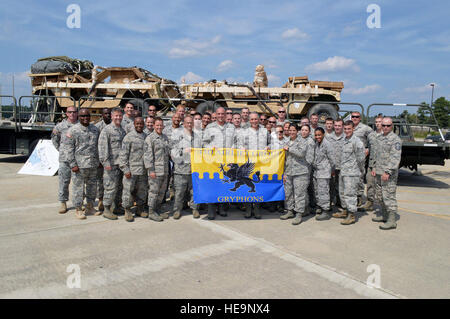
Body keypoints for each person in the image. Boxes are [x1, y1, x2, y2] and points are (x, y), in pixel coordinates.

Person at [66, 108, 100, 220]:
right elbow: (69, 149)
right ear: (78, 117)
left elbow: (98, 147)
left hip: (93, 164)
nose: (85, 118)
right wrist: (72, 164)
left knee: (92, 187)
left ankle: (90, 207)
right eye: (82, 116)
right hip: (79, 166)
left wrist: (99, 161)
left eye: (87, 116)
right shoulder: (73, 130)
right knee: (78, 188)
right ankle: (79, 209)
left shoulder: (95, 129)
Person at [202, 107, 235, 219]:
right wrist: (211, 147)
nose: (221, 116)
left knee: (224, 184)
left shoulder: (231, 127)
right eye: (219, 114)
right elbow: (204, 143)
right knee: (213, 184)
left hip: (227, 161)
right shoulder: (210, 127)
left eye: (223, 114)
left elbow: (236, 141)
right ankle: (211, 208)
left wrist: (233, 150)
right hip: (214, 162)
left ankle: (222, 207)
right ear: (215, 115)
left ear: (226, 115)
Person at [237, 112, 270, 219]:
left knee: (258, 186)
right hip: (248, 164)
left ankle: (256, 209)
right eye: (252, 119)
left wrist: (268, 147)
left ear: (259, 119)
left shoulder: (265, 131)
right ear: (249, 120)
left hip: (261, 164)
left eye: (256, 119)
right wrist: (241, 148)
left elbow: (271, 143)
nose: (254, 121)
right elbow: (239, 144)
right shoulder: (244, 132)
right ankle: (248, 209)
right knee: (247, 186)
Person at [332, 121, 365, 225]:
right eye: (345, 129)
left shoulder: (357, 142)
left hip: (352, 172)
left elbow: (361, 158)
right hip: (343, 171)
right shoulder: (344, 140)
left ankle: (351, 215)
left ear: (353, 129)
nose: (347, 131)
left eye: (349, 129)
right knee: (342, 193)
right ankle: (345, 210)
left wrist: (358, 171)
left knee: (350, 194)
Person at [371, 117, 402, 230]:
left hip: (388, 174)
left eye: (387, 125)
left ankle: (392, 220)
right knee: (380, 196)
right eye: (383, 125)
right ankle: (384, 216)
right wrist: (374, 167)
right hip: (378, 172)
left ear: (392, 126)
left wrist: (387, 172)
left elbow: (395, 158)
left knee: (389, 196)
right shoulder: (379, 138)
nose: (385, 127)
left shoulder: (395, 139)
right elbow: (376, 155)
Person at [280, 124, 314, 225]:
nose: (291, 132)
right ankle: (290, 211)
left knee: (299, 194)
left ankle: (299, 214)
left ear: (297, 131)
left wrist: (289, 149)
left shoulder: (303, 141)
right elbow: (285, 158)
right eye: (290, 130)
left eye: (293, 130)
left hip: (301, 172)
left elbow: (301, 153)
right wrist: (285, 173)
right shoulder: (286, 141)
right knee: (288, 192)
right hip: (289, 171)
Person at [170, 116, 201, 219]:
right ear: (183, 124)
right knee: (179, 192)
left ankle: (194, 209)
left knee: (194, 191)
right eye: (187, 123)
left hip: (194, 169)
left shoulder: (197, 137)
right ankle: (177, 210)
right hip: (181, 169)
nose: (189, 125)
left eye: (191, 123)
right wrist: (183, 151)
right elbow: (172, 153)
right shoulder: (177, 136)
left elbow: (201, 151)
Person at [98, 107, 127, 220]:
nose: (118, 118)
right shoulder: (107, 130)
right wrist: (106, 163)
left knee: (119, 187)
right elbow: (102, 147)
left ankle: (116, 207)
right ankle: (106, 209)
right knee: (110, 187)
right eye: (116, 116)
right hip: (111, 164)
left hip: (121, 164)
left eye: (120, 116)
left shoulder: (122, 130)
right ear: (112, 116)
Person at [119, 117, 148, 222]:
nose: (139, 125)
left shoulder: (146, 137)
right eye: (137, 124)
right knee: (128, 191)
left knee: (142, 191)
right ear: (134, 124)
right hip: (131, 171)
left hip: (143, 171)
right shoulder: (128, 137)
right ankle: (127, 210)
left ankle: (140, 209)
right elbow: (123, 155)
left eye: (141, 123)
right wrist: (125, 169)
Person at [51, 106, 78, 214]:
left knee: (78, 183)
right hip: (65, 159)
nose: (72, 114)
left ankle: (78, 204)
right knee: (64, 181)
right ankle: (63, 202)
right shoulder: (60, 126)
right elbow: (54, 139)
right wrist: (62, 150)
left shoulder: (80, 126)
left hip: (77, 159)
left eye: (74, 112)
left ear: (77, 113)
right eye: (69, 112)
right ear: (66, 114)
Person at [144, 117, 171, 221]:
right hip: (155, 172)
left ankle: (157, 209)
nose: (159, 127)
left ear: (163, 126)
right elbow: (147, 156)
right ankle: (151, 211)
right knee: (153, 192)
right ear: (154, 126)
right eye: (157, 125)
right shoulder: (150, 138)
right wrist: (151, 170)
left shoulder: (165, 137)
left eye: (161, 125)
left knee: (161, 192)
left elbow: (169, 152)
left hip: (165, 170)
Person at [351, 111, 375, 207]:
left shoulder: (365, 128)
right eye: (353, 116)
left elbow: (374, 139)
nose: (355, 118)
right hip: (349, 156)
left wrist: (368, 148)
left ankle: (359, 196)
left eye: (357, 117)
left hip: (360, 157)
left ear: (360, 118)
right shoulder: (348, 127)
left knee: (359, 176)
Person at [312, 127, 335, 220]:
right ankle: (321, 207)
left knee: (324, 191)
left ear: (323, 134)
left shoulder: (327, 144)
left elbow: (332, 160)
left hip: (324, 172)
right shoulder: (317, 144)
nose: (317, 136)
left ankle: (325, 211)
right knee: (318, 191)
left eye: (319, 135)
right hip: (317, 172)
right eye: (316, 135)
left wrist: (330, 170)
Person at [363, 115, 383, 212]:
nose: (378, 124)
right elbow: (367, 148)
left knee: (381, 186)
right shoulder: (371, 135)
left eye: (380, 122)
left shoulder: (386, 136)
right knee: (370, 183)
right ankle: (370, 202)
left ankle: (383, 207)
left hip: (382, 166)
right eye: (376, 122)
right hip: (371, 165)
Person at [325, 118, 345, 211]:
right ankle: (328, 205)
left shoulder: (347, 137)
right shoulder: (328, 137)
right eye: (336, 125)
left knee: (342, 188)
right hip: (331, 167)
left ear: (343, 126)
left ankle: (342, 205)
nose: (337, 127)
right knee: (330, 187)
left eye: (339, 126)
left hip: (343, 167)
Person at [94, 108, 111, 212]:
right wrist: (100, 159)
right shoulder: (97, 127)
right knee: (100, 180)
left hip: (112, 159)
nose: (108, 115)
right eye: (105, 113)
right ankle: (100, 200)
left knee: (111, 181)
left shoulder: (116, 126)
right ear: (102, 115)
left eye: (109, 113)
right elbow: (95, 144)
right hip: (101, 159)